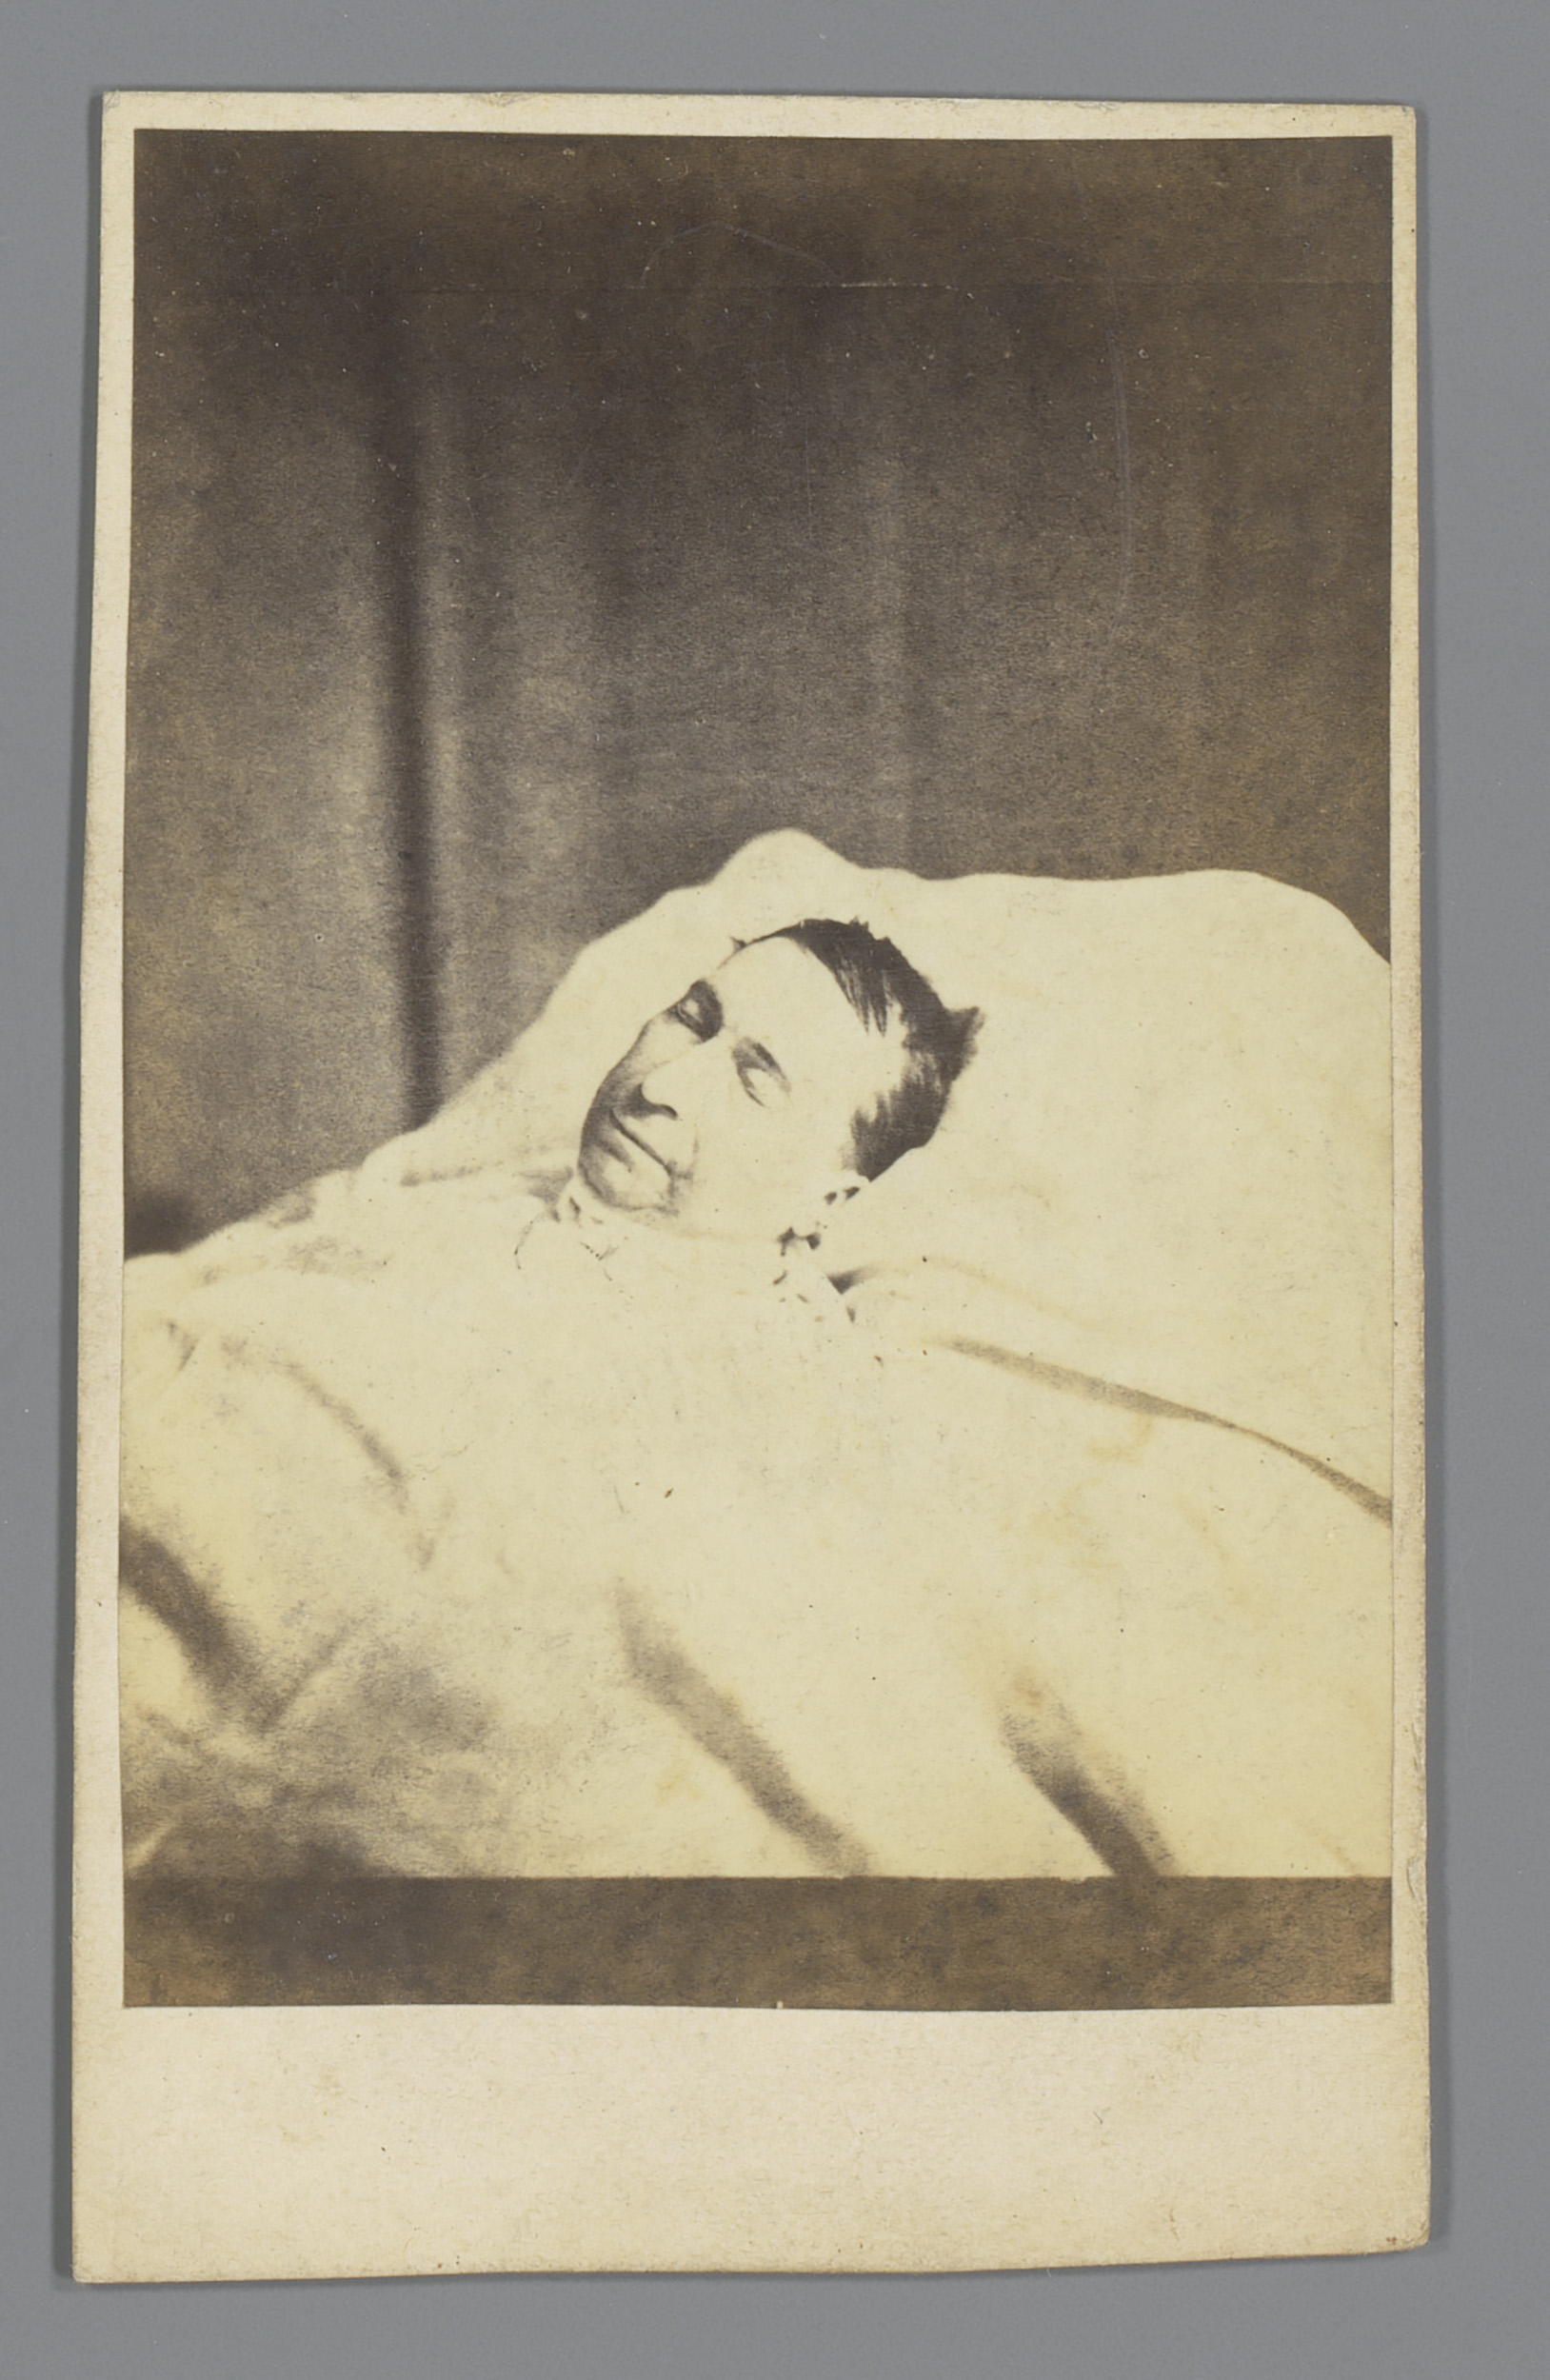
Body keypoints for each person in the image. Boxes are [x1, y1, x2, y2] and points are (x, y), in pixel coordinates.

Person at [118, 920, 1008, 1880]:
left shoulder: (775, 1401)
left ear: (824, 1201)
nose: (663, 1084)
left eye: (755, 1080)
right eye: (690, 1019)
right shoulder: (467, 1198)